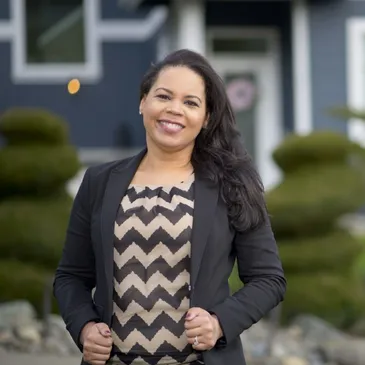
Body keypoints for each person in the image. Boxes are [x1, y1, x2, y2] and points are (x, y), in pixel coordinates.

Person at [53, 49, 286, 365]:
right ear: (143, 102)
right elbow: (71, 276)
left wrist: (219, 322)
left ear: (205, 118)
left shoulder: (232, 185)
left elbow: (268, 279)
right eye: (164, 96)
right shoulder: (99, 181)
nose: (175, 109)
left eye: (191, 103)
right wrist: (84, 327)